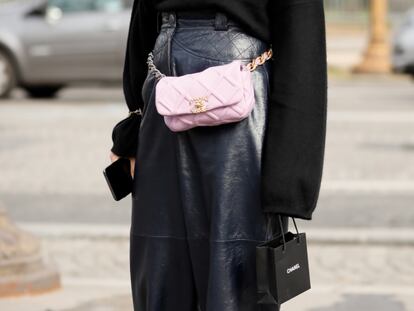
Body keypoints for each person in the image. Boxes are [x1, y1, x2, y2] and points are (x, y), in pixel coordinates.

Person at [109, 0, 327, 310]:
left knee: (235, 281)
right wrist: (130, 134)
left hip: (242, 92)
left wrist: (288, 177)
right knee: (160, 275)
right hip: (163, 88)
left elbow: (301, 32)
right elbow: (143, 16)